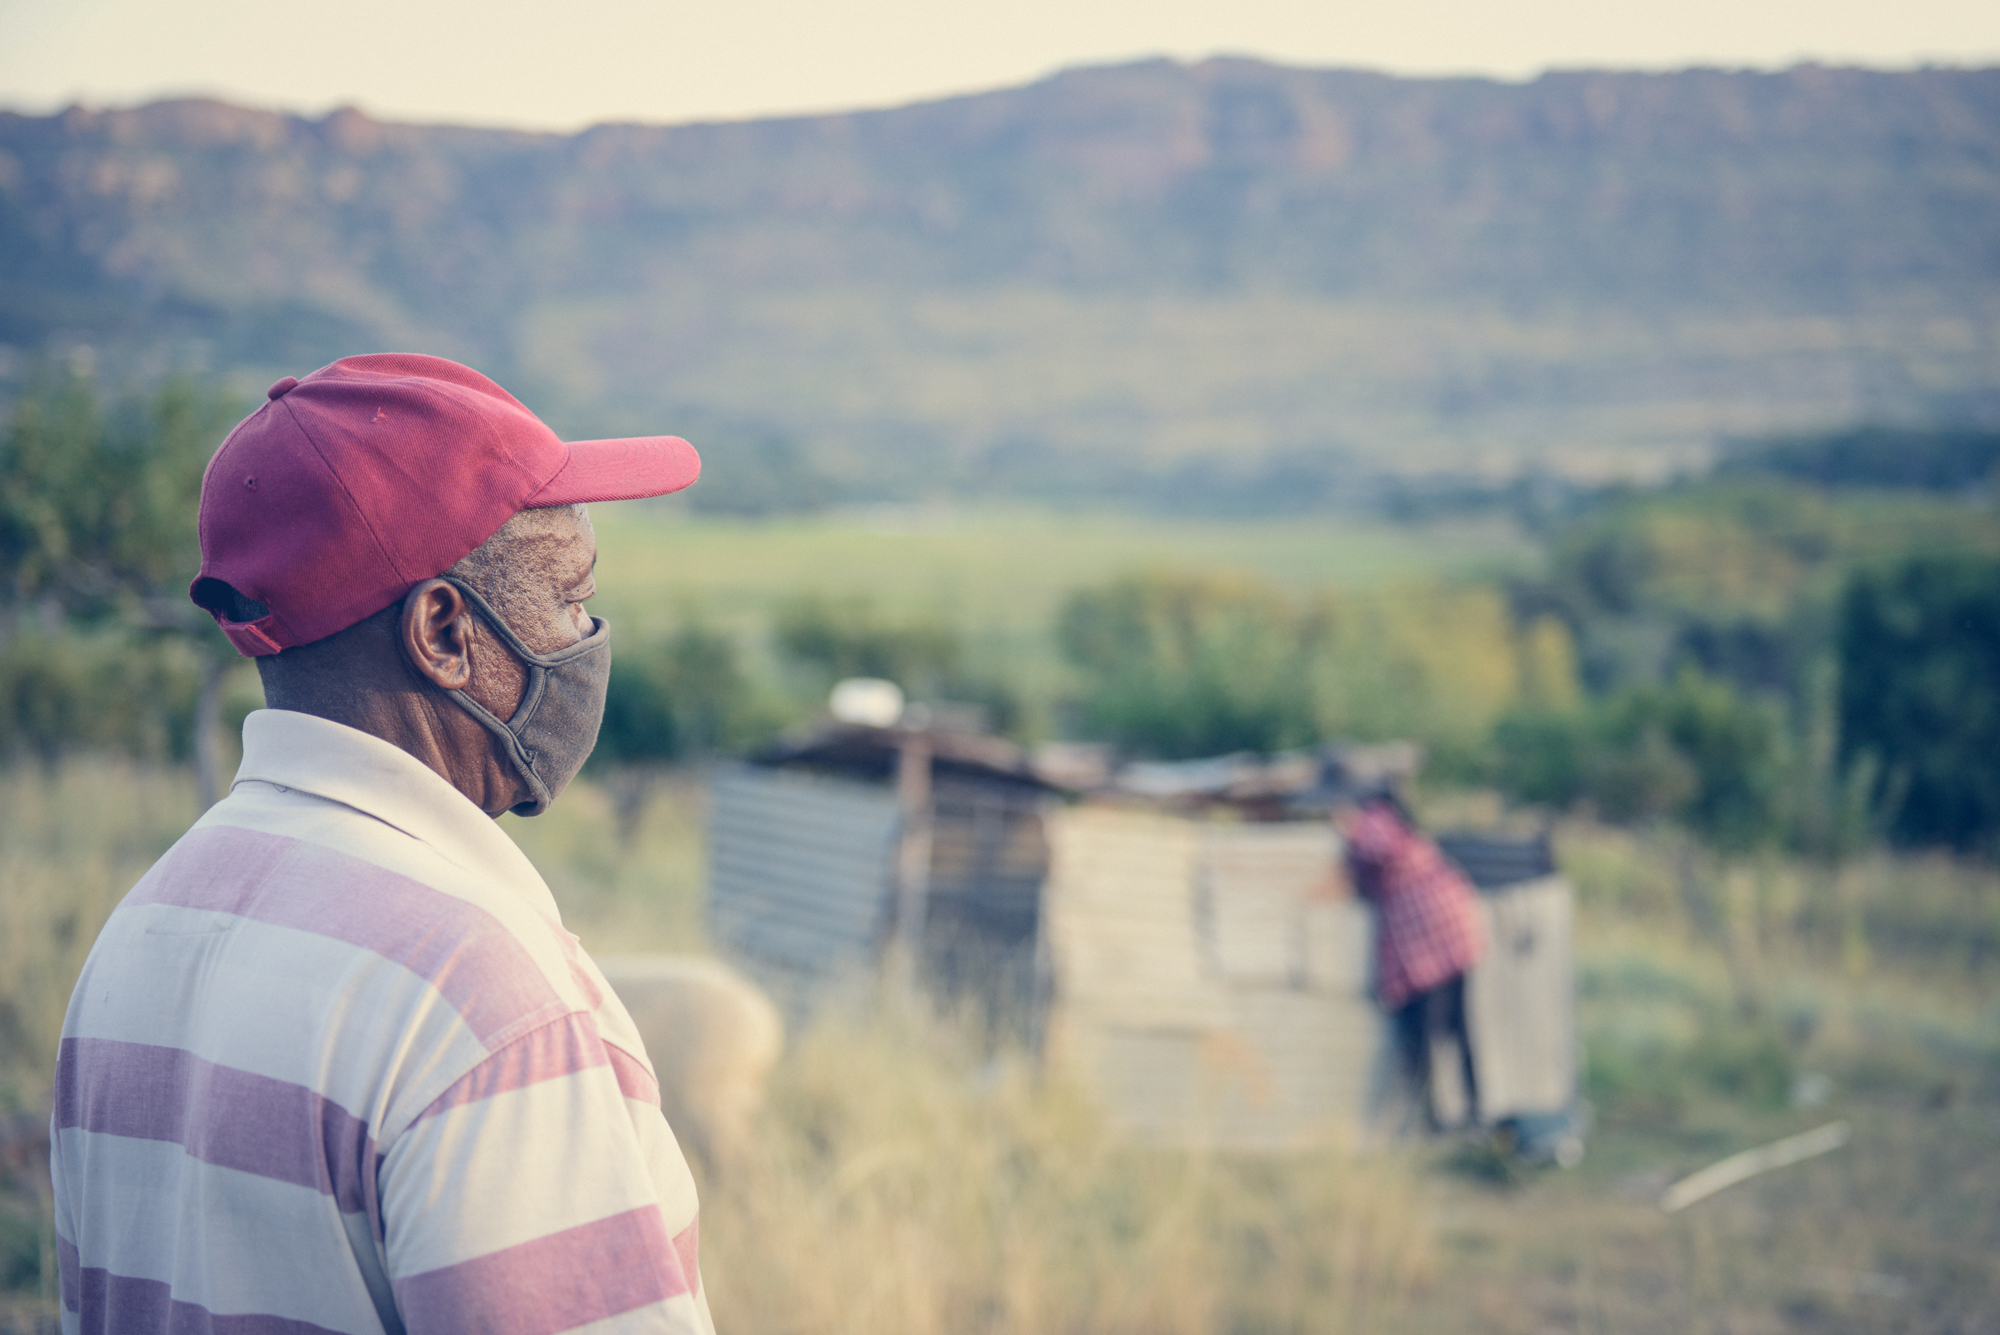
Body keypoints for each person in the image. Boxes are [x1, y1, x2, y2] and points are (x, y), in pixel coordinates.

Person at [50, 354, 713, 1334]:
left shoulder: (137, 935)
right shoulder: (486, 1004)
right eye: (570, 598)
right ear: (443, 632)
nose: (587, 635)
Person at [1340, 787, 1487, 1131]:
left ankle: (1436, 1119)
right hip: (1453, 928)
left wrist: (1347, 828)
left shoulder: (1372, 819)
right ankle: (1472, 1110)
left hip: (1428, 939)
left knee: (1426, 1036)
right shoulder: (1402, 821)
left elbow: (1376, 846)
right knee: (1459, 1030)